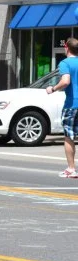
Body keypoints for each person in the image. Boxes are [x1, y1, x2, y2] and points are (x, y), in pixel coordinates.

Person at [47, 36, 78, 178]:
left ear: (66, 48)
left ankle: (71, 169)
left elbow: (65, 81)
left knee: (69, 137)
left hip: (72, 105)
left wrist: (53, 88)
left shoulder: (65, 63)